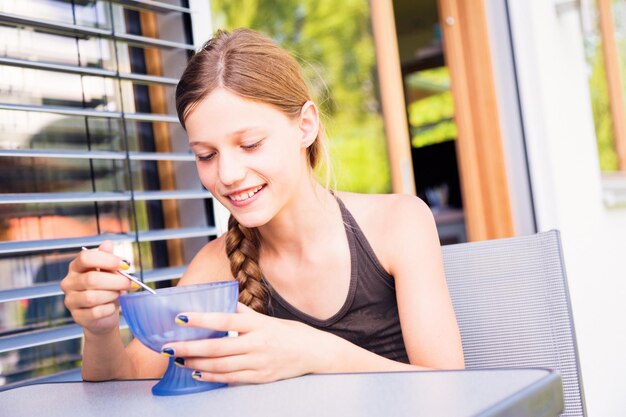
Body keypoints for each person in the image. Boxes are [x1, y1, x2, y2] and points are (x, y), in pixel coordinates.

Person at [61, 28, 464, 384]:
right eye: (206, 155)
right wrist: (99, 329)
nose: (229, 174)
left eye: (250, 144)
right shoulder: (217, 265)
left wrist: (314, 352)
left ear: (305, 125)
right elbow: (123, 381)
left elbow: (451, 388)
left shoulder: (398, 225)